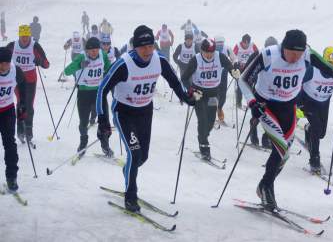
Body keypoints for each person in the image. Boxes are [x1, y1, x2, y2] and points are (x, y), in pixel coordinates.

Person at [238, 29, 333, 210]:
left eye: (299, 55)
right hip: (266, 106)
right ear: (283, 47)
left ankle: (264, 185)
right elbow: (243, 80)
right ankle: (267, 188)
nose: (295, 58)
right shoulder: (268, 55)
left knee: (284, 156)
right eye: (291, 53)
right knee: (281, 148)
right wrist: (252, 102)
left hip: (288, 107)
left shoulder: (307, 54)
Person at [96, 25, 198, 212]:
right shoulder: (123, 64)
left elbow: (174, 82)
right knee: (134, 155)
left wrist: (186, 97)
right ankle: (130, 197)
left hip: (145, 112)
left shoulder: (159, 60)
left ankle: (128, 170)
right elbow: (102, 89)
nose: (147, 51)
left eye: (151, 46)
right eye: (143, 47)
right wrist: (102, 120)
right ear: (135, 46)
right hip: (124, 112)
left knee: (142, 157)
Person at [181, 39, 241, 160]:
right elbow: (184, 78)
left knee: (210, 121)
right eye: (206, 52)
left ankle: (203, 136)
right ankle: (204, 146)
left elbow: (229, 66)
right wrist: (191, 91)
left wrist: (233, 72)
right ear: (201, 51)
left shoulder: (220, 57)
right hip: (199, 94)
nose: (209, 55)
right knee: (202, 120)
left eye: (211, 52)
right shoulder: (196, 60)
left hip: (213, 93)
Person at [298, 46, 333, 173]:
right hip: (308, 101)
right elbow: (298, 83)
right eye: (328, 62)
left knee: (321, 133)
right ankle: (314, 159)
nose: (331, 66)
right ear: (323, 59)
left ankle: (308, 129)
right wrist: (299, 104)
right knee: (317, 128)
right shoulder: (313, 69)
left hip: (324, 103)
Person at [64, 37, 112, 157]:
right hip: (84, 93)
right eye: (91, 50)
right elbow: (67, 71)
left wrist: (110, 76)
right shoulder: (81, 57)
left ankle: (105, 144)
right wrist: (80, 65)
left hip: (98, 93)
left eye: (96, 49)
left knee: (104, 120)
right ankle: (83, 143)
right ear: (86, 51)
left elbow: (108, 68)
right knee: (83, 121)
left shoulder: (103, 55)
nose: (94, 52)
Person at [7, 25, 50, 145]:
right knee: (21, 103)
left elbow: (47, 64)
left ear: (30, 35)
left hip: (30, 80)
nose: (25, 39)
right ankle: (20, 130)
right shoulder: (13, 45)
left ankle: (29, 131)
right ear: (19, 35)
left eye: (27, 36)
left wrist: (39, 61)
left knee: (29, 104)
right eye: (22, 36)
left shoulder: (34, 46)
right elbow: (3, 56)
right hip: (17, 80)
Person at [0, 47, 26, 192]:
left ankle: (11, 177)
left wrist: (22, 103)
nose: (4, 66)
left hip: (7, 112)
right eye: (1, 63)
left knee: (10, 144)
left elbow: (22, 84)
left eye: (6, 63)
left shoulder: (15, 70)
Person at [248, 36, 278, 148]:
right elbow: (247, 70)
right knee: (258, 114)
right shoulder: (258, 54)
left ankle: (266, 139)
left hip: (273, 92)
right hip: (257, 89)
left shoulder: (278, 56)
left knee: (272, 117)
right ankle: (253, 134)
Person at [233, 34, 258, 109]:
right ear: (242, 42)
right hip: (240, 68)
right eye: (245, 43)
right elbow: (233, 56)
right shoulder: (238, 46)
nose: (246, 45)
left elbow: (257, 54)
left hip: (249, 68)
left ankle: (250, 103)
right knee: (240, 85)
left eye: (247, 43)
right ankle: (238, 103)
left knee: (250, 86)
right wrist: (236, 64)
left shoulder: (252, 45)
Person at [214, 35, 235, 123]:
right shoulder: (212, 49)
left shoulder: (227, 49)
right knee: (215, 95)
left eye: (221, 44)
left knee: (222, 95)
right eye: (218, 44)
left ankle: (219, 110)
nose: (220, 45)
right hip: (214, 76)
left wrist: (231, 68)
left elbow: (233, 58)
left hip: (223, 74)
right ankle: (213, 114)